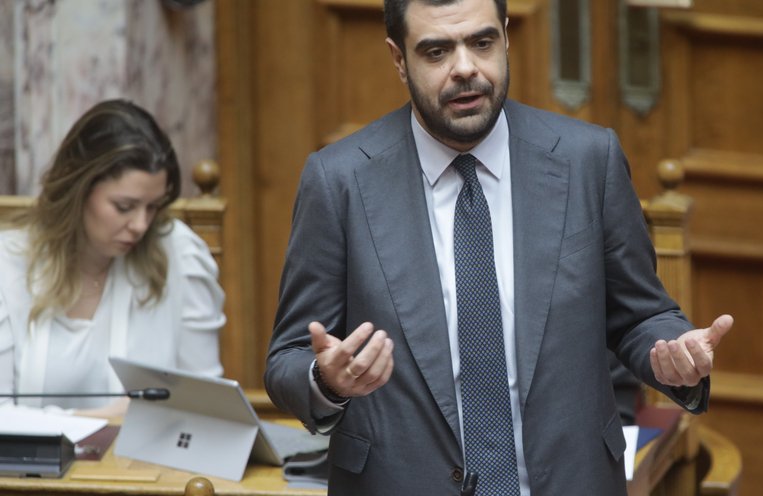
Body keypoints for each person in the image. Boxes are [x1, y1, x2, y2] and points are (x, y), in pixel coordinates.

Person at [265, 0, 733, 494]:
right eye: (436, 51)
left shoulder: (588, 161)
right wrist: (326, 381)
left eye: (482, 42)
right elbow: (288, 359)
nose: (465, 68)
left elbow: (639, 315)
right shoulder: (339, 181)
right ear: (399, 59)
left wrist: (674, 351)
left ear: (506, 37)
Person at [0, 99, 225, 419]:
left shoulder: (180, 254)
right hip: (28, 456)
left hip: (152, 453)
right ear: (78, 189)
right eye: (124, 207)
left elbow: (206, 406)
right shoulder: (8, 266)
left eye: (153, 207)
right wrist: (105, 420)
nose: (140, 225)